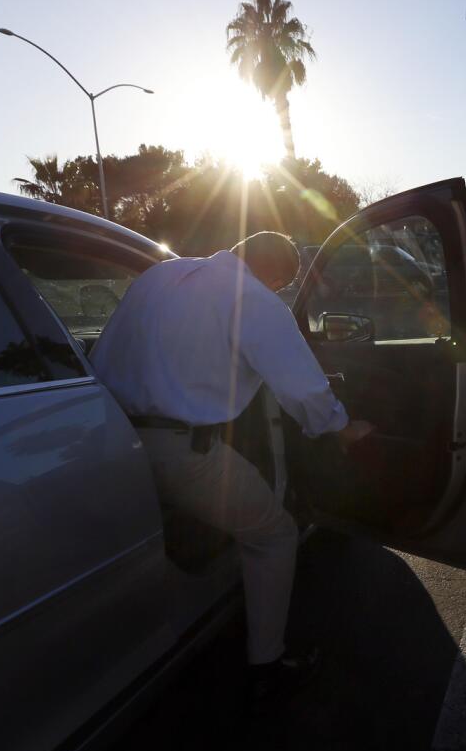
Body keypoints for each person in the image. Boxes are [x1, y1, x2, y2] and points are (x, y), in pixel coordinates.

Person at [93, 231, 372, 699]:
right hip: (183, 453)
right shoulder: (254, 299)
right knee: (274, 535)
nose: (280, 292)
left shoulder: (158, 276)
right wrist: (342, 427)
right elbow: (302, 391)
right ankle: (268, 661)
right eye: (284, 285)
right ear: (278, 275)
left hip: (108, 441)